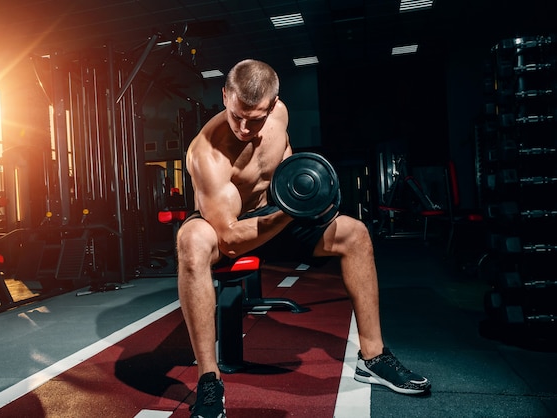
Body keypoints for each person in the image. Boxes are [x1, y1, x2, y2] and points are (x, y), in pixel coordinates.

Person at [177, 59, 431, 418]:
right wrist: (293, 208)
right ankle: (209, 380)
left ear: (274, 103)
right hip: (228, 227)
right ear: (224, 96)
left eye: (256, 118)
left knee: (355, 234)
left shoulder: (279, 114)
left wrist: (302, 195)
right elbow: (231, 239)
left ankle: (373, 356)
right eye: (237, 116)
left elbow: (288, 164)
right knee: (192, 241)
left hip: (276, 214)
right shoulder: (206, 153)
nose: (245, 128)